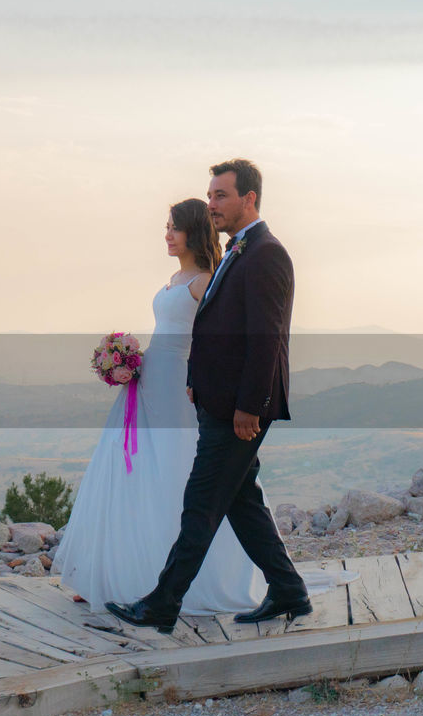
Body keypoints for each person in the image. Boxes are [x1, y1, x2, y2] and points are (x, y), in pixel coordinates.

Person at [107, 159, 313, 633]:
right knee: (242, 502)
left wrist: (249, 407)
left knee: (200, 504)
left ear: (250, 199)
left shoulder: (266, 254)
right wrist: (198, 379)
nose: (212, 204)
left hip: (238, 411)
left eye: (221, 195)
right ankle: (289, 590)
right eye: (211, 195)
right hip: (216, 402)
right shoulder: (239, 251)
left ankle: (161, 604)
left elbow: (265, 339)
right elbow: (216, 328)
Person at [53, 198, 269, 615]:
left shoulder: (207, 280)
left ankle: (180, 581)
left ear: (193, 230)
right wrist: (125, 361)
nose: (167, 235)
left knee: (177, 469)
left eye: (174, 228)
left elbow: (220, 340)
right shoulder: (176, 276)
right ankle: (111, 574)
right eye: (166, 227)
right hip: (151, 378)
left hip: (181, 387)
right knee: (131, 472)